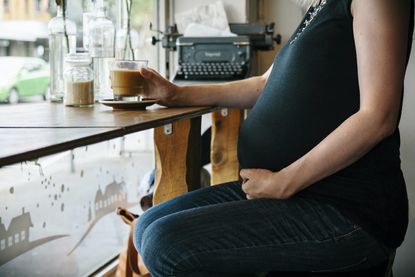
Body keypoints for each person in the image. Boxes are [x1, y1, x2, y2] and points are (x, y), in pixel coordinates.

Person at [132, 0, 414, 276]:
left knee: (164, 245)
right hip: (297, 192)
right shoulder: (320, 7)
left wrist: (284, 182)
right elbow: (263, 84)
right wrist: (177, 94)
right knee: (146, 227)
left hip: (345, 207)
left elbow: (378, 116)